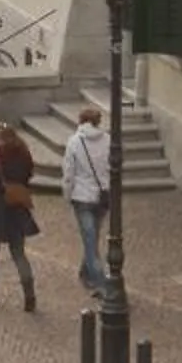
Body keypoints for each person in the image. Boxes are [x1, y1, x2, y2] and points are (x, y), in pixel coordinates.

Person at [0, 122, 39, 311]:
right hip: (17, 208)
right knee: (18, 252)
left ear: (1, 140)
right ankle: (30, 296)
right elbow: (28, 175)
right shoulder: (24, 155)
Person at [62, 102, 112, 296]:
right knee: (92, 236)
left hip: (82, 197)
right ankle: (85, 273)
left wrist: (67, 195)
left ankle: (102, 285)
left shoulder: (75, 142)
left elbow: (69, 173)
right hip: (102, 195)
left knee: (90, 241)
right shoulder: (108, 140)